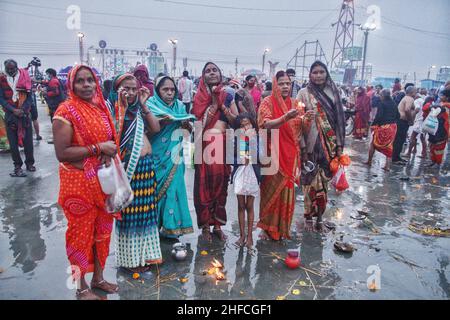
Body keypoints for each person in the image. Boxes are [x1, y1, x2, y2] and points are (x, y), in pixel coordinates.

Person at [52, 65, 119, 300]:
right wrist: (98, 148)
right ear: (71, 85)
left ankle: (98, 279)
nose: (86, 85)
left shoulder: (100, 108)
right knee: (80, 237)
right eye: (80, 81)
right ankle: (81, 288)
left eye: (90, 80)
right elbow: (62, 152)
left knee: (102, 232)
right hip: (78, 184)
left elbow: (111, 139)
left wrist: (107, 149)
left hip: (103, 181)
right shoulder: (66, 111)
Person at [106, 73, 163, 272]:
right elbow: (112, 135)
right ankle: (130, 261)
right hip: (128, 171)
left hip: (146, 169)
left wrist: (143, 104)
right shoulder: (110, 111)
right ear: (116, 89)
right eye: (126, 88)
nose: (130, 92)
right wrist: (121, 108)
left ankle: (147, 256)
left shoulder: (138, 111)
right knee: (130, 215)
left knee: (147, 214)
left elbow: (155, 128)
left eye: (133, 88)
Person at [191, 62, 238, 242]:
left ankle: (217, 226)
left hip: (223, 146)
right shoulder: (198, 98)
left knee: (221, 186)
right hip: (204, 147)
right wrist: (210, 105)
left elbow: (237, 122)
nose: (211, 73)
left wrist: (221, 105)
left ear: (220, 74)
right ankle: (204, 227)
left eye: (214, 70)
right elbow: (195, 126)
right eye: (208, 71)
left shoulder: (228, 96)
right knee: (203, 189)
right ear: (203, 76)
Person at [297, 61, 346, 232]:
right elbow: (297, 122)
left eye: (321, 72)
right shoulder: (303, 93)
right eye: (315, 72)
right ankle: (308, 217)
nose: (318, 75)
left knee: (324, 183)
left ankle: (320, 217)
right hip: (310, 146)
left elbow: (340, 120)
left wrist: (339, 146)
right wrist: (302, 147)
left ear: (327, 73)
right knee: (309, 182)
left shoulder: (334, 92)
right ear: (310, 75)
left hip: (329, 145)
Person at [257, 70, 305, 241]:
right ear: (275, 85)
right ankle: (266, 226)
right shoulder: (267, 102)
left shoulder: (296, 103)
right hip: (273, 154)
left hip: (291, 155)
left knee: (287, 192)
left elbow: (299, 128)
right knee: (269, 191)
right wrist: (285, 117)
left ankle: (283, 228)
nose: (285, 86)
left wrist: (309, 120)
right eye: (282, 83)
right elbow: (265, 124)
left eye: (288, 83)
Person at [147, 75, 196, 238]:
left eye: (172, 89)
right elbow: (146, 131)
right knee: (153, 190)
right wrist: (162, 123)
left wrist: (186, 125)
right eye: (165, 89)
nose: (169, 93)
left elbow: (187, 134)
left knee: (173, 190)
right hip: (156, 154)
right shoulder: (150, 105)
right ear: (157, 91)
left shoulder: (180, 106)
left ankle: (171, 227)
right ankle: (154, 226)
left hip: (175, 156)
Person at [0, 59, 35, 177]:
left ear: (17, 67)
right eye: (8, 69)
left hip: (24, 114)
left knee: (28, 141)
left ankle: (30, 164)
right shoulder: (1, 80)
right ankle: (17, 166)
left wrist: (23, 109)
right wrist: (13, 110)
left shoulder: (25, 78)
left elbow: (30, 97)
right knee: (13, 143)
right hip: (10, 115)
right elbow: (1, 99)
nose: (10, 71)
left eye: (12, 68)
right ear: (5, 69)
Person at [231, 113, 260, 248]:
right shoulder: (238, 138)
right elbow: (239, 157)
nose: (245, 127)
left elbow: (259, 156)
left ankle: (249, 236)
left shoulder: (257, 138)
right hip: (240, 172)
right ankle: (242, 235)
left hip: (253, 173)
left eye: (247, 124)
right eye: (242, 125)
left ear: (252, 124)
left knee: (250, 206)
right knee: (241, 205)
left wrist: (250, 140)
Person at [365, 89, 399, 171]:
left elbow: (379, 116)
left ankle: (369, 161)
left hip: (383, 126)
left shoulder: (382, 103)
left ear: (383, 96)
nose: (379, 97)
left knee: (373, 143)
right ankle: (387, 166)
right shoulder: (394, 103)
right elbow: (398, 115)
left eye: (380, 95)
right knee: (389, 146)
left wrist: (373, 124)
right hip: (393, 127)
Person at [392, 85, 417, 164]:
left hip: (400, 121)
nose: (416, 93)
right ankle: (395, 158)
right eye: (415, 91)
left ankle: (396, 156)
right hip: (402, 121)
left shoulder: (405, 97)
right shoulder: (410, 98)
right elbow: (407, 109)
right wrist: (410, 120)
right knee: (399, 140)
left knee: (399, 140)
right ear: (412, 92)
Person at [426, 89, 449, 167]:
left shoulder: (446, 106)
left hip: (442, 130)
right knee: (432, 146)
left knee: (439, 148)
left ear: (447, 97)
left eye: (442, 95)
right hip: (435, 128)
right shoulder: (441, 104)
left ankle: (437, 163)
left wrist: (434, 106)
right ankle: (433, 161)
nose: (440, 97)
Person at [405, 88, 428, 158]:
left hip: (418, 121)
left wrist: (411, 117)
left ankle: (408, 153)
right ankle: (423, 153)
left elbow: (417, 109)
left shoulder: (417, 101)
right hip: (424, 121)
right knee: (422, 138)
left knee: (412, 137)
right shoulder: (425, 100)